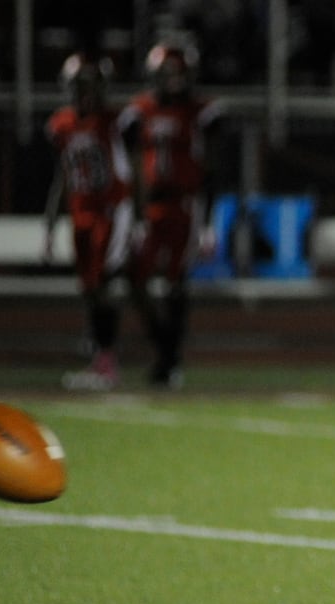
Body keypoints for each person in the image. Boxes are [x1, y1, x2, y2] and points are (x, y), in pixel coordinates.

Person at [118, 39, 224, 389]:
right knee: (136, 279)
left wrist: (208, 221)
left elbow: (210, 167)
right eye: (166, 73)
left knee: (176, 284)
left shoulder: (199, 112)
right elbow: (132, 165)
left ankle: (169, 361)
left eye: (178, 73)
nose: (173, 80)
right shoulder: (139, 112)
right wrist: (135, 214)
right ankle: (166, 348)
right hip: (152, 206)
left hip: (184, 204)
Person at [44, 53, 137, 392]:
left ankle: (106, 363)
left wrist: (134, 217)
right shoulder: (61, 124)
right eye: (78, 85)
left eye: (89, 85)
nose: (84, 92)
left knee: (103, 286)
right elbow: (62, 176)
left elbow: (133, 166)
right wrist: (51, 223)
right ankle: (100, 358)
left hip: (110, 210)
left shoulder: (116, 121)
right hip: (81, 212)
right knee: (89, 288)